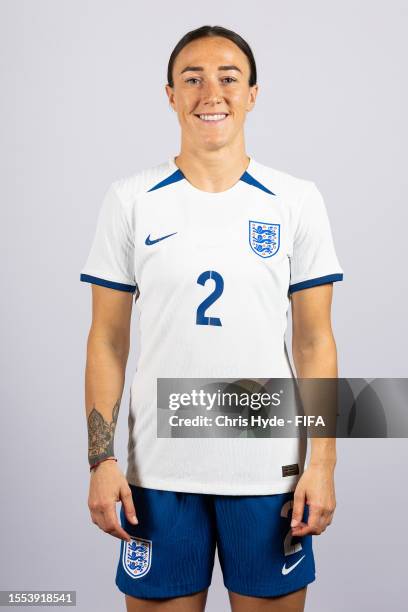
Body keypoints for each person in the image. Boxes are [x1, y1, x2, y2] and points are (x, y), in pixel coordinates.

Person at [80, 25, 343, 612]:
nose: (211, 93)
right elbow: (107, 341)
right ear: (169, 95)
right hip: (159, 474)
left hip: (267, 476)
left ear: (253, 93)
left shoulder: (295, 200)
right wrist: (101, 458)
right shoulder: (131, 199)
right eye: (191, 79)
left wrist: (322, 462)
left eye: (228, 78)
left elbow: (315, 342)